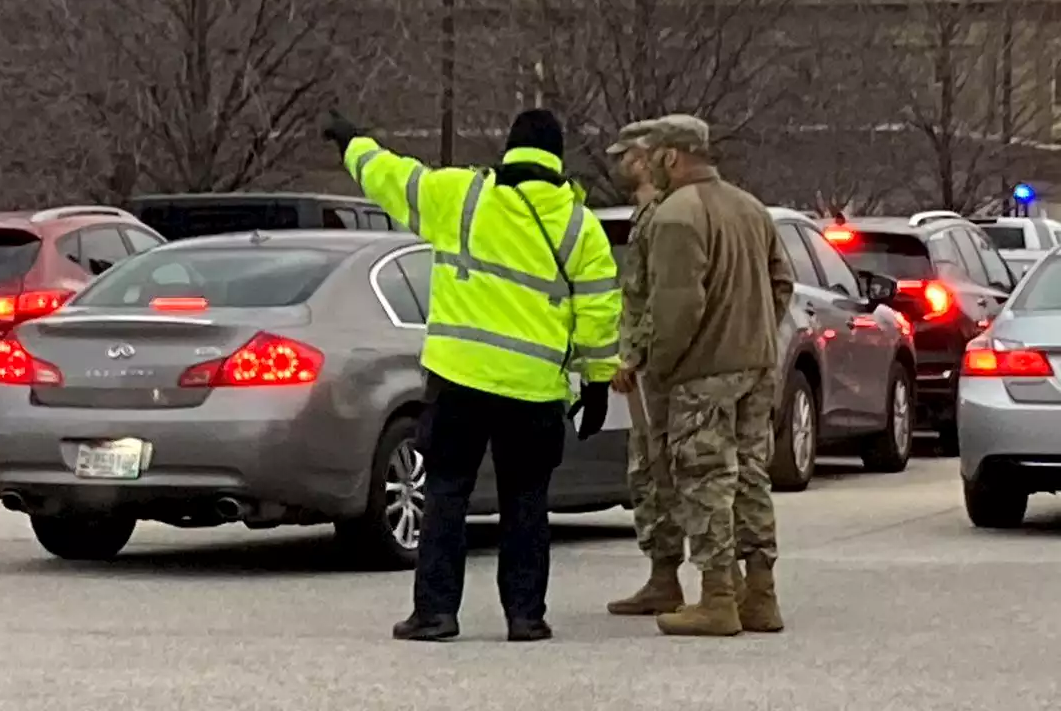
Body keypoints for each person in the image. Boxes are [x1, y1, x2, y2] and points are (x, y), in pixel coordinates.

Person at [323, 107, 621, 643]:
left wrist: (353, 143)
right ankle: (525, 617)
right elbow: (599, 311)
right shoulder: (581, 227)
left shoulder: (461, 196)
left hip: (458, 380)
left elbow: (392, 177)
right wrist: (597, 381)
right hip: (533, 389)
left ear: (508, 149)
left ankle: (436, 614)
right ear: (558, 159)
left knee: (446, 493)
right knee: (527, 502)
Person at [639, 114, 794, 637]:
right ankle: (762, 594)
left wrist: (661, 365)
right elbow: (782, 282)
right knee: (752, 475)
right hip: (758, 365)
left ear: (670, 157)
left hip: (704, 370)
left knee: (706, 477)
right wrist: (759, 331)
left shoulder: (677, 215)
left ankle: (717, 597)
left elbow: (677, 306)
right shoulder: (751, 208)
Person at [601, 120, 690, 617]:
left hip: (659, 365)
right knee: (649, 472)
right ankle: (662, 575)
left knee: (665, 472)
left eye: (629, 154)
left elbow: (661, 296)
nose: (622, 164)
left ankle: (677, 576)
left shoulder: (664, 217)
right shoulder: (646, 216)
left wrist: (633, 354)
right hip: (648, 361)